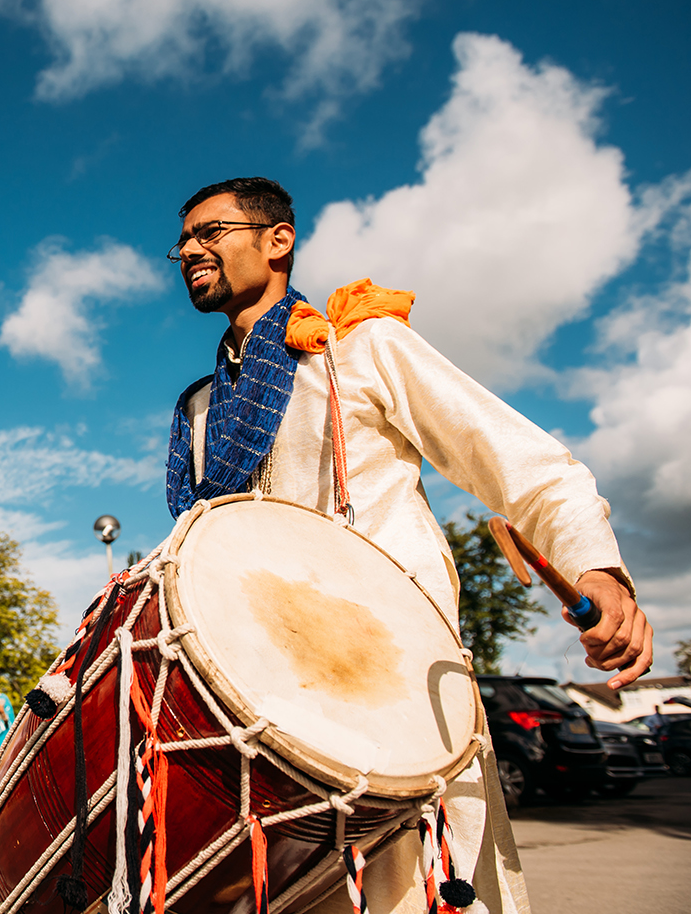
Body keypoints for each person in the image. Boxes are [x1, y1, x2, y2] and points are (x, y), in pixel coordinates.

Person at [164, 176, 653, 914]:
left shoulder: (359, 344)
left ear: (278, 241)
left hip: (398, 689)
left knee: (423, 893)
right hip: (269, 708)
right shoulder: (201, 409)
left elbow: (521, 466)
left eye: (212, 232)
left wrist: (600, 568)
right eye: (184, 241)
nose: (192, 250)